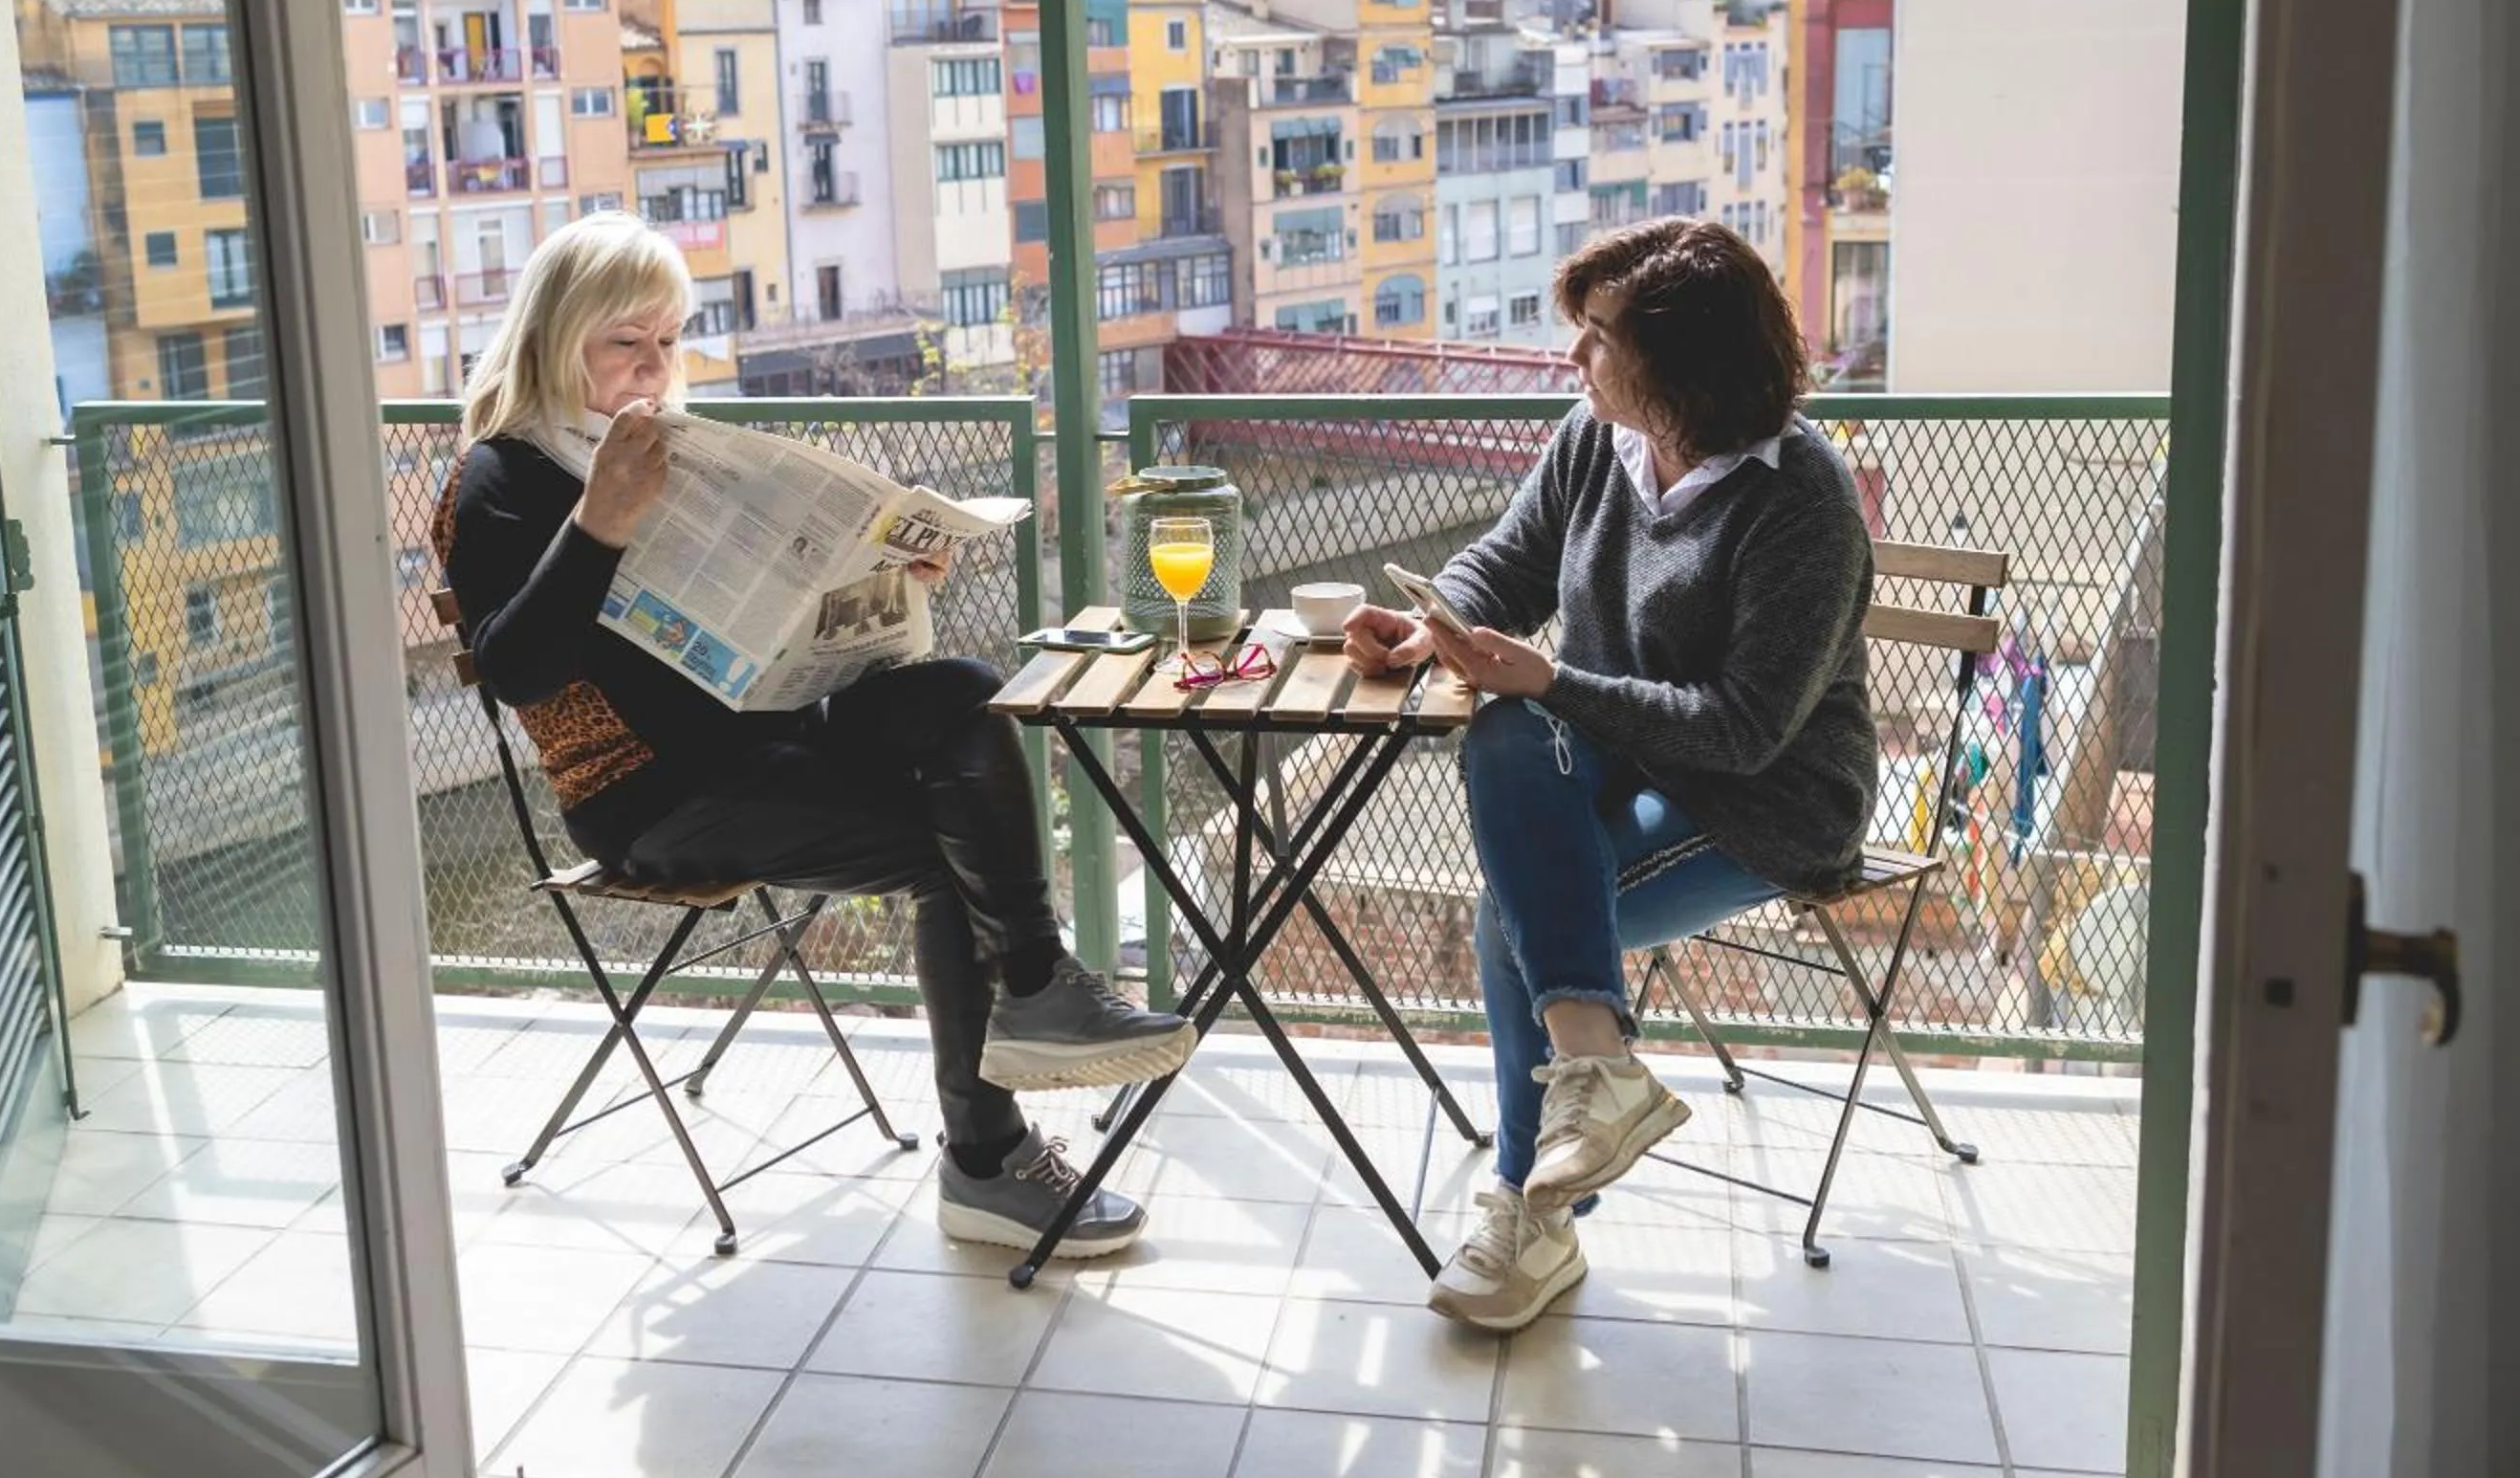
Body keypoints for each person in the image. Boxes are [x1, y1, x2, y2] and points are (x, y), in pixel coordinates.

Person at [436, 215, 1194, 1259]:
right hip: (651, 794)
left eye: (670, 339)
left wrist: (880, 575)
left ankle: (1036, 985)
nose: (657, 366)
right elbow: (516, 671)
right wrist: (598, 525)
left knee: (965, 689)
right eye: (627, 341)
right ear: (556, 337)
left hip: (769, 735)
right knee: (950, 849)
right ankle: (988, 1153)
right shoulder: (499, 479)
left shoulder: (687, 457)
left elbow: (776, 627)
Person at [1344, 219, 1878, 1331]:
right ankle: (1598, 1070)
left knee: (1510, 919)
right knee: (1499, 733)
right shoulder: (1602, 438)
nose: (1573, 358)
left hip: (1765, 799)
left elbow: (1741, 733)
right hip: (1624, 753)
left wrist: (1551, 679)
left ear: (1680, 364)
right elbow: (1510, 559)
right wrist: (1429, 616)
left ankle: (1530, 1214)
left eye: (1596, 338)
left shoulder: (1802, 500)